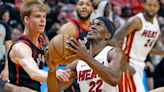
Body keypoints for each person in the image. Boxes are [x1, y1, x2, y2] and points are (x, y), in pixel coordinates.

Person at [46, 16, 127, 92]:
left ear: (108, 35)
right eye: (92, 24)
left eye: (99, 25)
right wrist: (52, 69)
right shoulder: (77, 63)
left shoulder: (115, 53)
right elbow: (53, 90)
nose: (93, 26)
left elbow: (114, 79)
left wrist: (86, 57)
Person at [8, 0, 69, 91]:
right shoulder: (20, 46)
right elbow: (33, 73)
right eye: (37, 16)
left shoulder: (41, 41)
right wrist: (55, 74)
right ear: (26, 19)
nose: (42, 20)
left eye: (44, 16)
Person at [114, 0, 164, 92]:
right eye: (149, 5)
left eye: (155, 5)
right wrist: (123, 63)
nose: (152, 8)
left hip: (140, 64)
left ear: (159, 7)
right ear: (144, 5)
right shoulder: (136, 21)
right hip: (129, 62)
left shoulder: (156, 23)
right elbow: (115, 38)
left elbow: (149, 48)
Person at [57, 0, 93, 91]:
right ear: (75, 7)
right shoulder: (68, 28)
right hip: (74, 79)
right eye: (81, 4)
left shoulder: (96, 28)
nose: (84, 7)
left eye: (88, 4)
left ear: (92, 8)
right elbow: (54, 54)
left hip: (92, 77)